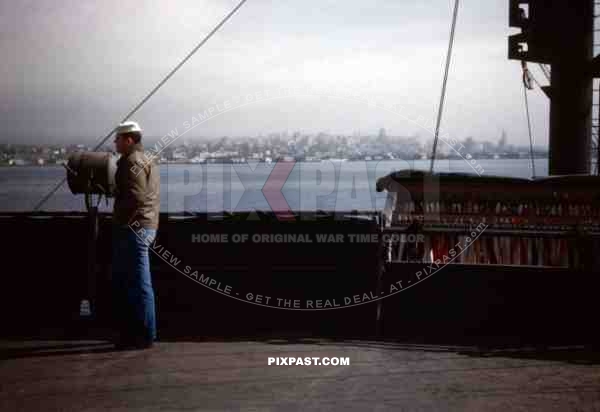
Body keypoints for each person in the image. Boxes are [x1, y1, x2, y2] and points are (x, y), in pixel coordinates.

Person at [111, 120, 160, 350]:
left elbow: (136, 197)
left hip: (135, 228)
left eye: (118, 139)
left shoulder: (131, 161)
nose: (115, 143)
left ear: (129, 139)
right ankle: (141, 333)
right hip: (147, 225)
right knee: (138, 282)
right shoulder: (147, 158)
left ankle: (143, 335)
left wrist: (123, 222)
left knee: (139, 283)